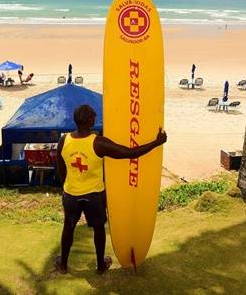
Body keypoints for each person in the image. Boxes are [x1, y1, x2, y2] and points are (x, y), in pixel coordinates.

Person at [54, 105, 167, 275]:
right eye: (94, 116)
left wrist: (66, 186)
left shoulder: (64, 140)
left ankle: (63, 264)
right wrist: (157, 142)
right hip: (94, 195)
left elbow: (60, 167)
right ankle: (100, 265)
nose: (96, 118)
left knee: (68, 227)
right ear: (90, 121)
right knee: (98, 228)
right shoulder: (98, 142)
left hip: (71, 194)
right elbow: (131, 153)